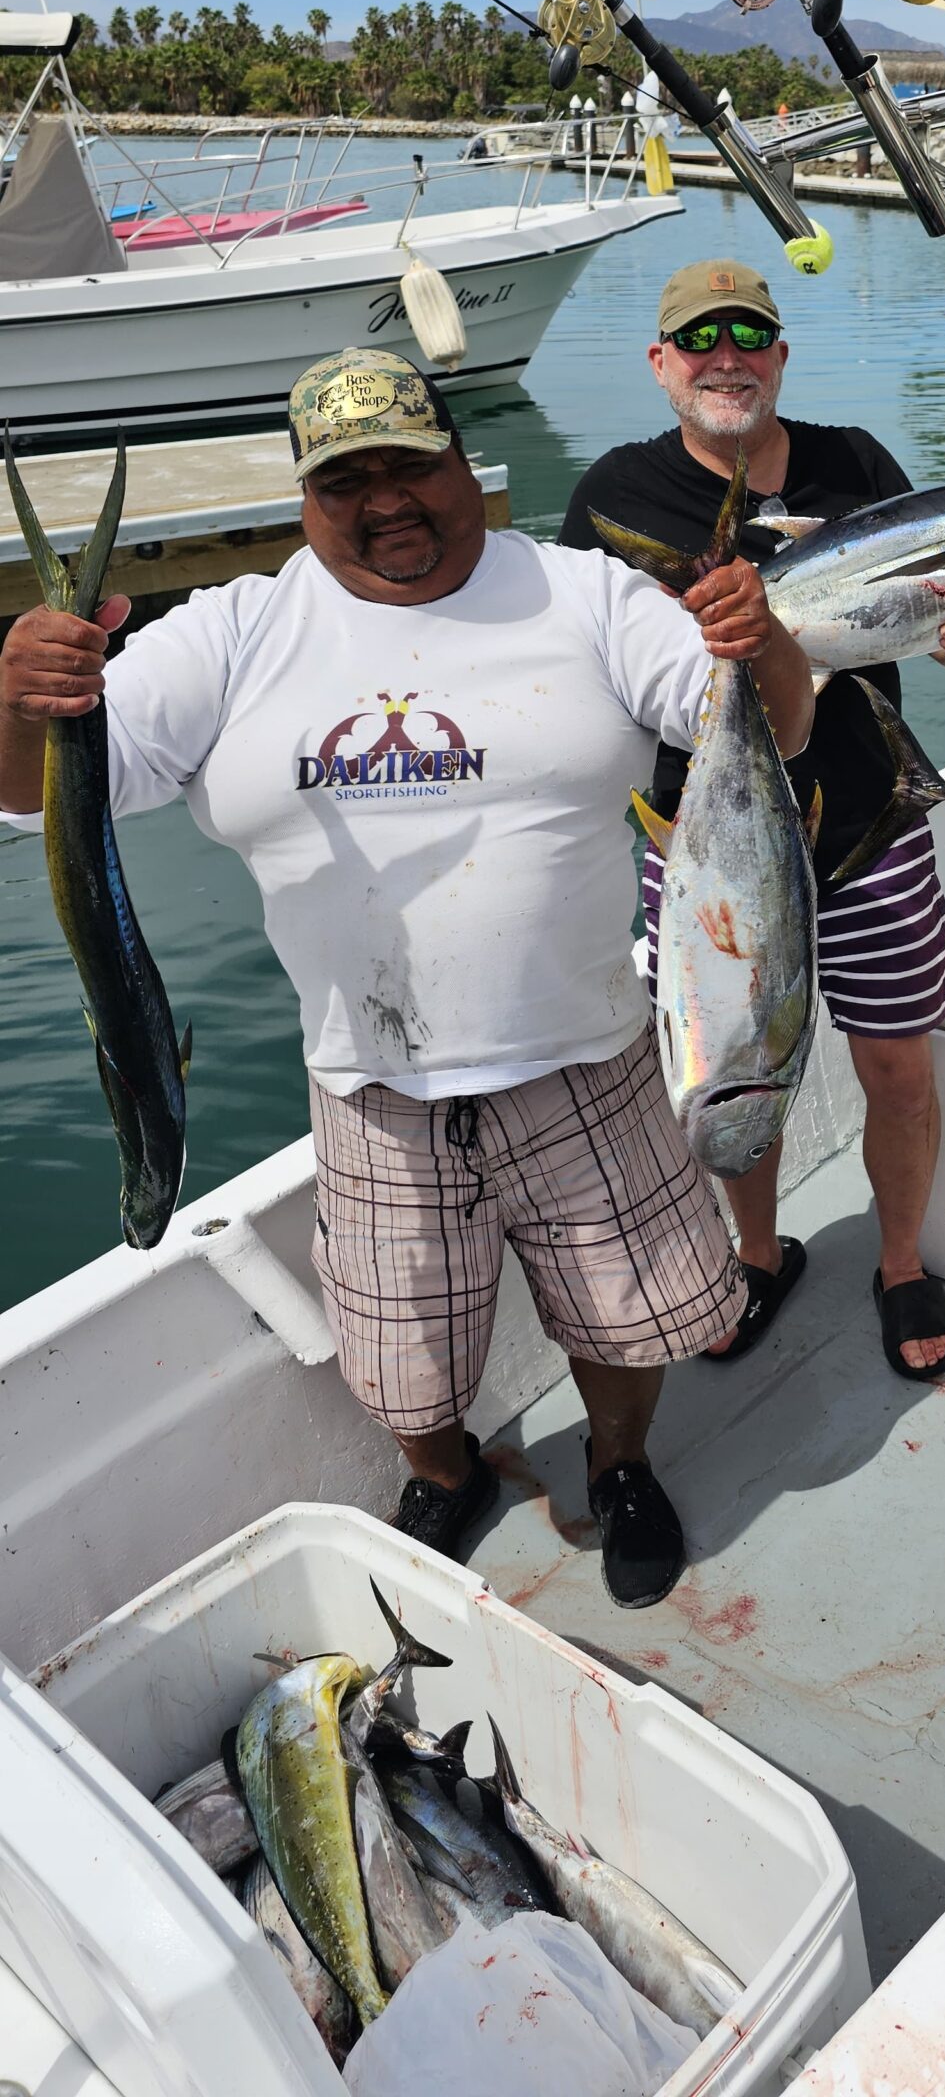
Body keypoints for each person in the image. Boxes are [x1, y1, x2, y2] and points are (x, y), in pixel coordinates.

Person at [0, 347, 815, 1608]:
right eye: (347, 481)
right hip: (369, 1084)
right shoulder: (232, 630)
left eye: (410, 465)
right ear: (303, 495)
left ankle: (621, 1463)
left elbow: (770, 723)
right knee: (403, 1365)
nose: (388, 500)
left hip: (589, 1052)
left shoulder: (583, 593)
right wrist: (26, 696)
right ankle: (448, 1474)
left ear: (459, 461)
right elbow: (29, 787)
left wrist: (761, 643)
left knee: (631, 1318)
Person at [562, 258, 945, 1381]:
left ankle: (901, 1261)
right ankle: (759, 1252)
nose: (727, 354)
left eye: (750, 333)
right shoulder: (614, 493)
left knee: (898, 1068)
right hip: (705, 854)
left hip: (868, 824)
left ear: (781, 355)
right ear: (661, 365)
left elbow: (944, 609)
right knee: (730, 1064)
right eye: (698, 337)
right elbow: (574, 670)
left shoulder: (858, 464)